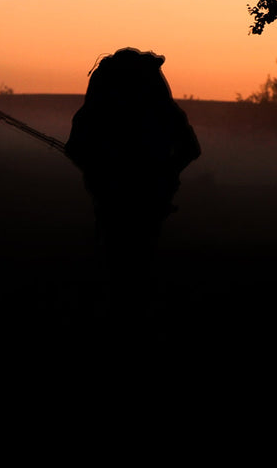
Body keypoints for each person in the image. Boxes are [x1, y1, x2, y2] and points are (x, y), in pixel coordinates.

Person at [66, 48, 201, 312]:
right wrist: (167, 173)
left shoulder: (99, 105)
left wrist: (98, 170)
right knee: (139, 264)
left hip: (113, 201)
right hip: (149, 201)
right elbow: (191, 149)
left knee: (117, 265)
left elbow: (74, 149)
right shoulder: (162, 108)